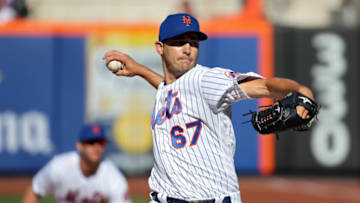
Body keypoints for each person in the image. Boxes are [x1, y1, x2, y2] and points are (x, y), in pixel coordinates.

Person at [103, 13, 315, 203]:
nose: (187, 49)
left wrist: (299, 89)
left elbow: (266, 86)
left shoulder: (205, 79)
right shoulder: (169, 89)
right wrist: (140, 69)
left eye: (193, 43)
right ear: (160, 48)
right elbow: (167, 87)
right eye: (179, 42)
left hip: (210, 198)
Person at [22, 124, 131, 203]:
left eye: (101, 143)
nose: (96, 147)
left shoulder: (114, 178)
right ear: (79, 146)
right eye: (91, 142)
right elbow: (35, 189)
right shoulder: (60, 167)